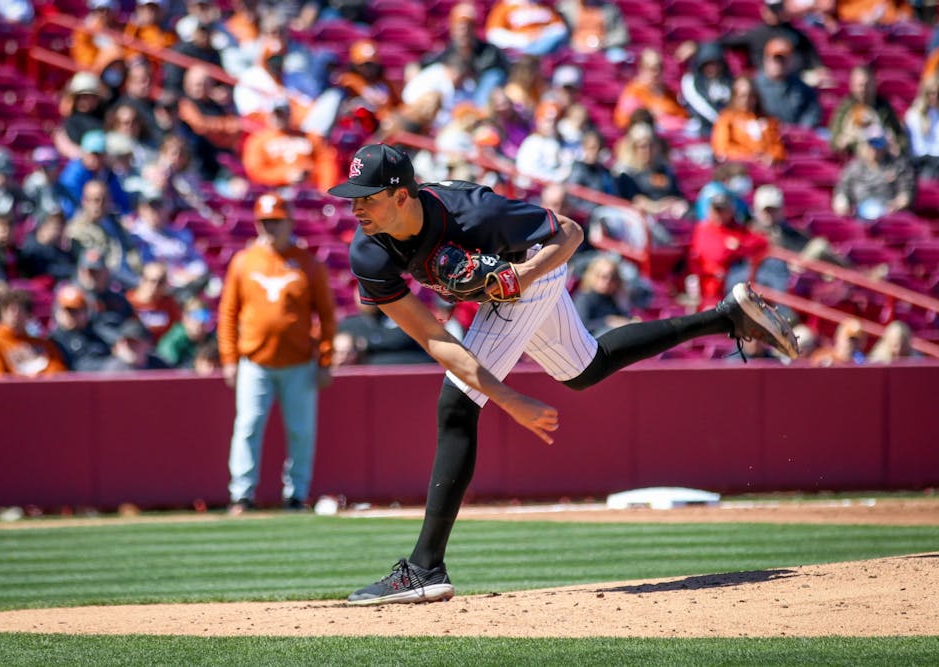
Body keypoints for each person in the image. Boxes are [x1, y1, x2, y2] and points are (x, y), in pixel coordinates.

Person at [326, 143, 798, 605]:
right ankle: (727, 317)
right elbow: (436, 341)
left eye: (368, 197)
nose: (357, 208)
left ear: (402, 195)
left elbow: (569, 233)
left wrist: (522, 278)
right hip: (504, 288)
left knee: (456, 405)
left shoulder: (474, 212)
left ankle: (426, 567)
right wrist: (509, 397)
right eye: (354, 197)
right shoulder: (368, 253)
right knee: (585, 369)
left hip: (533, 265)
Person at [218, 192, 336, 514]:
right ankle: (241, 495)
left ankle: (296, 495)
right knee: (248, 426)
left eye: (276, 221)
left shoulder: (308, 263)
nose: (271, 228)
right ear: (257, 223)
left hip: (299, 362)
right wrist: (229, 359)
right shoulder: (243, 262)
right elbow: (228, 313)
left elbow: (326, 315)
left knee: (300, 431)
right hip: (255, 361)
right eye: (265, 222)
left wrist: (325, 358)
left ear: (289, 222)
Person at [689, 192, 771, 308]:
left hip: (734, 287)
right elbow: (716, 256)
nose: (719, 214)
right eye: (716, 209)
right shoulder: (704, 229)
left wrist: (740, 246)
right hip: (712, 290)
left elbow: (762, 242)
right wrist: (733, 250)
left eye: (723, 210)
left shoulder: (736, 228)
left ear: (731, 210)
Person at [0, 289, 68, 376]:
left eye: (19, 309)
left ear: (29, 315)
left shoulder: (43, 344)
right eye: (8, 309)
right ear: (1, 313)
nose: (14, 314)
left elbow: (58, 372)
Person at [832, 129, 915, 220]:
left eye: (878, 144)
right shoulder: (854, 167)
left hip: (889, 215)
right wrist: (842, 204)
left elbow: (906, 193)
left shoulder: (898, 166)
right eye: (871, 144)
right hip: (859, 213)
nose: (874, 149)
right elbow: (842, 190)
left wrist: (896, 205)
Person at [829, 66, 907, 157]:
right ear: (852, 86)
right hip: (855, 161)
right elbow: (833, 141)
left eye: (867, 85)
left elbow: (900, 137)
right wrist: (842, 142)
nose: (863, 90)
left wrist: (897, 147)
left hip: (884, 159)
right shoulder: (845, 109)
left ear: (874, 84)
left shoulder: (884, 108)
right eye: (860, 85)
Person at [711, 75, 787, 166]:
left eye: (750, 96)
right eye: (742, 96)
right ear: (735, 96)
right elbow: (722, 148)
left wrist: (772, 156)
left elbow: (778, 147)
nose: (746, 100)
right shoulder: (726, 118)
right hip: (739, 168)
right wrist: (751, 157)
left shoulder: (768, 120)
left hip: (767, 169)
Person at [613, 48, 689, 134]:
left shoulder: (668, 91)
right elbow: (622, 121)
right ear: (641, 69)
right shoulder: (634, 92)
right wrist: (650, 115)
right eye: (651, 68)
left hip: (677, 133)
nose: (656, 72)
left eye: (659, 67)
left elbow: (682, 115)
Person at [752, 37, 822, 130]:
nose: (780, 64)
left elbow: (812, 111)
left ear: (791, 61)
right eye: (776, 59)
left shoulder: (801, 86)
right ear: (766, 60)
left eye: (784, 60)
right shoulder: (753, 86)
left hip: (794, 137)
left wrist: (800, 130)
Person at [48, 283, 113, 371]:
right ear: (57, 312)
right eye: (67, 311)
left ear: (86, 311)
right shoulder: (54, 340)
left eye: (76, 311)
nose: (71, 315)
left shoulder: (97, 335)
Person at [572, 254, 638, 337]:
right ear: (592, 276)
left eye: (613, 278)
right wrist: (607, 321)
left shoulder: (613, 298)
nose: (608, 282)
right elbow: (580, 327)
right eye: (604, 277)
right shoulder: (584, 298)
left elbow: (622, 319)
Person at [680, 42, 733, 138]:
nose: (712, 68)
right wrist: (723, 122)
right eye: (708, 64)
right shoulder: (690, 82)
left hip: (728, 132)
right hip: (702, 132)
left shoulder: (730, 82)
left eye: (716, 64)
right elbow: (699, 107)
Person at [157, 296, 215, 368]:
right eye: (196, 316)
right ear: (185, 318)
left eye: (205, 316)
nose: (200, 321)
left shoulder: (213, 340)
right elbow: (167, 367)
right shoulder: (172, 342)